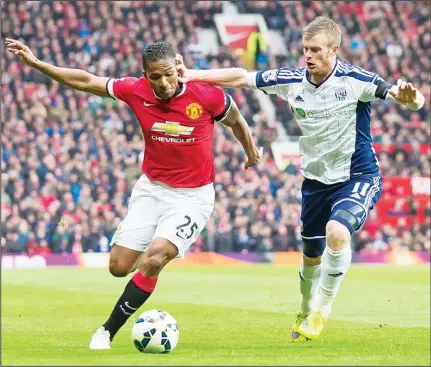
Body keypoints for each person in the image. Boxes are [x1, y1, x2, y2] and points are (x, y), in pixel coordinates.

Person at [176, 16, 425, 342]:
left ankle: (322, 309)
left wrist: (412, 97)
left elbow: (406, 98)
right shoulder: (292, 79)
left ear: (334, 50)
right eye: (305, 49)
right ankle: (306, 307)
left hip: (357, 175)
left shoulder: (355, 79)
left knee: (337, 232)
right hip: (315, 182)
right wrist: (192, 74)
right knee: (310, 256)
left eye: (316, 50)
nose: (308, 56)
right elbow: (241, 78)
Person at [6, 38, 262, 349]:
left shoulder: (208, 95)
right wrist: (38, 64)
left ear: (178, 67)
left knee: (154, 258)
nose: (164, 83)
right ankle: (144, 259)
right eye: (155, 77)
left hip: (193, 197)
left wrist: (250, 152)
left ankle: (106, 331)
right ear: (144, 74)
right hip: (151, 190)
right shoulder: (135, 90)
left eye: (168, 74)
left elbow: (236, 121)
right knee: (118, 267)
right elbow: (86, 81)